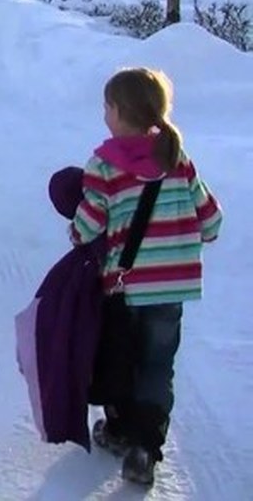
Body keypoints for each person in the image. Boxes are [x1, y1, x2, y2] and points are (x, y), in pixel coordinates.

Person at [69, 67, 222, 484]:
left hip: (126, 286)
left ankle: (118, 429)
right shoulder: (177, 158)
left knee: (119, 358)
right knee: (157, 366)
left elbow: (88, 225)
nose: (104, 113)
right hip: (172, 289)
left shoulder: (104, 165)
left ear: (121, 112)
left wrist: (75, 232)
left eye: (107, 106)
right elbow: (211, 219)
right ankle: (145, 449)